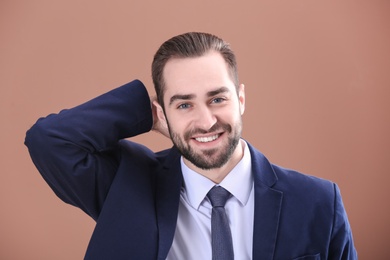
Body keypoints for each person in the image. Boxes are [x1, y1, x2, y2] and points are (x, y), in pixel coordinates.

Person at [25, 32, 357, 259]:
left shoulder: (318, 202)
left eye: (217, 98)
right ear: (161, 113)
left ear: (240, 99)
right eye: (184, 105)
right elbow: (49, 140)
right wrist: (143, 113)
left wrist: (179, 110)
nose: (206, 121)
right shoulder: (127, 186)